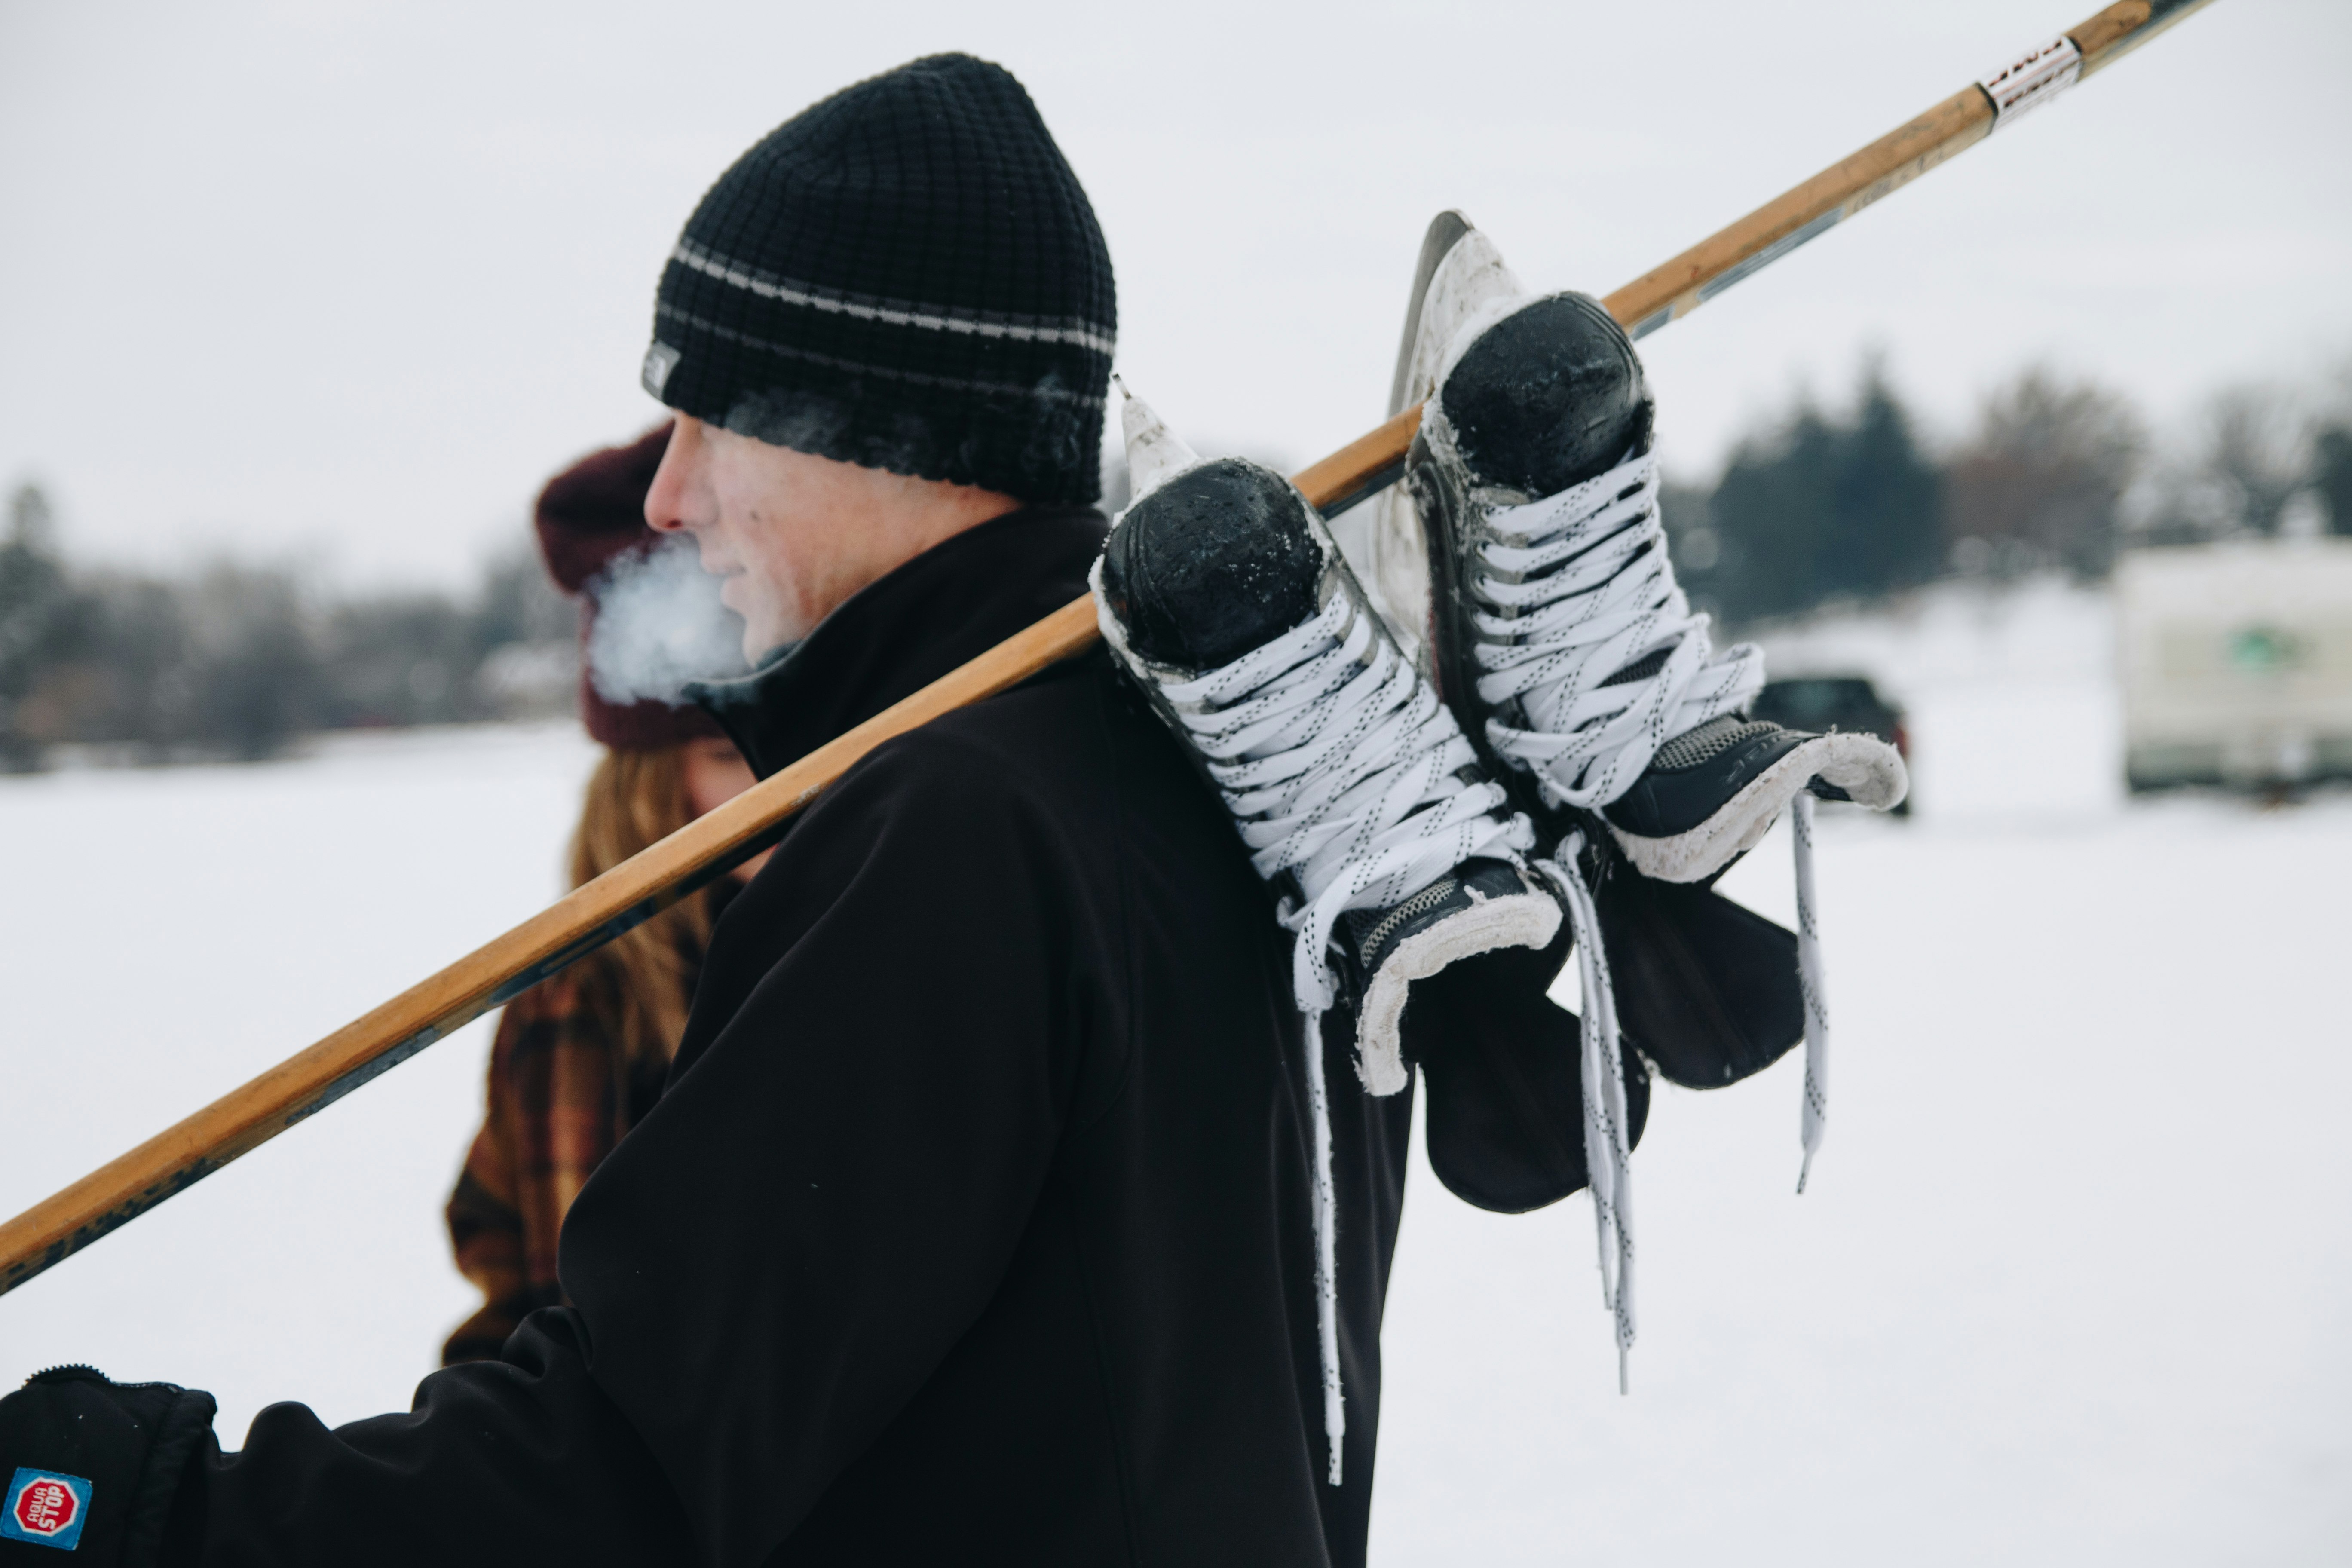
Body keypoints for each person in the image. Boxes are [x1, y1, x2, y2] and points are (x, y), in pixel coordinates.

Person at [0, 53, 1895, 1568]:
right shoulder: (1230, 781)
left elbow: (618, 1486)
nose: (661, 501)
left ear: (876, 431)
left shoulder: (957, 831)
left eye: (704, 422)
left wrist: (114, 1498)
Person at [443, 425, 761, 1365]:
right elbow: (515, 1289)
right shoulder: (574, 1002)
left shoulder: (896, 939)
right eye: (722, 753)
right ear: (648, 787)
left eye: (813, 743)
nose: (783, 781)